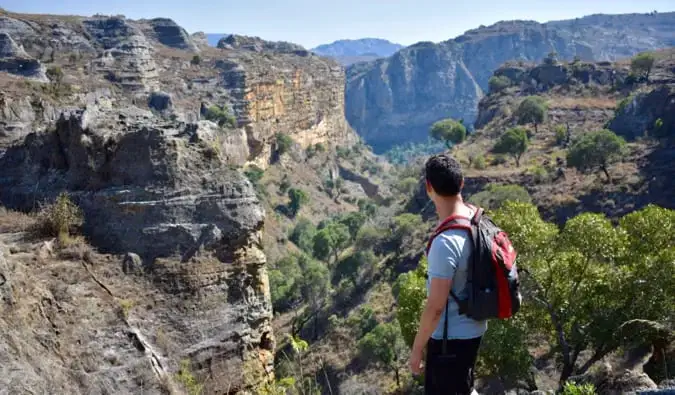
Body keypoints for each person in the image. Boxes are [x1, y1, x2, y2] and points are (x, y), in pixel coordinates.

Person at [409, 153, 487, 395]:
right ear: (462, 182)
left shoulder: (445, 243)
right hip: (475, 328)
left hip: (449, 340)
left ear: (429, 188)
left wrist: (417, 348)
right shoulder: (477, 220)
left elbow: (435, 308)